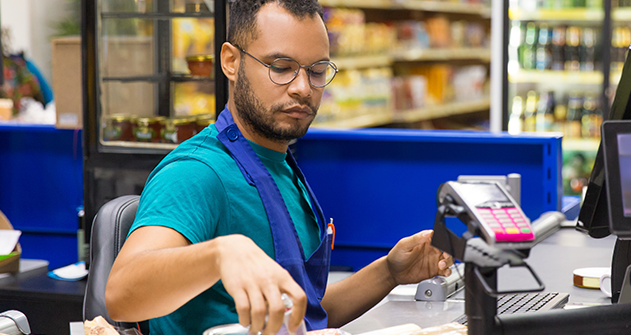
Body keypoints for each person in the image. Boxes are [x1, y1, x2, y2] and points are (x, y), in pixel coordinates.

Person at [104, 1, 454, 335]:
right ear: (231, 61)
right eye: (281, 68)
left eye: (317, 71)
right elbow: (121, 295)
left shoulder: (281, 167)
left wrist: (389, 272)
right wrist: (219, 255)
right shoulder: (199, 173)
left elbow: (303, 312)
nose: (303, 88)